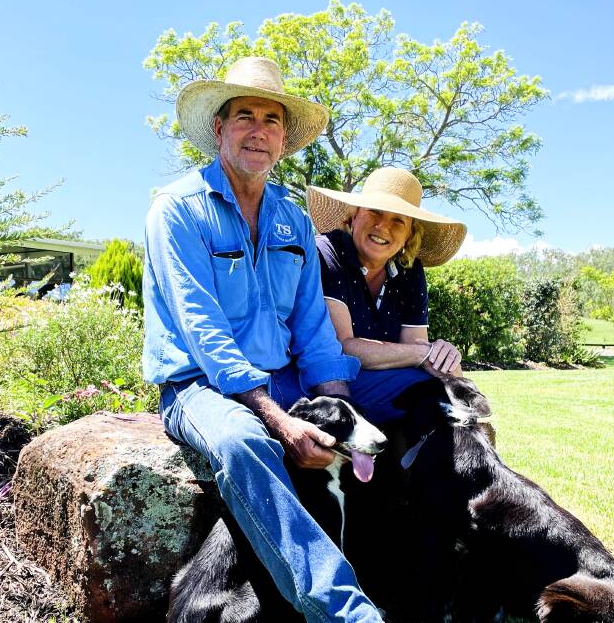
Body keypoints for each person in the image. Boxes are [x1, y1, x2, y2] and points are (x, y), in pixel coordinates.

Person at [142, 57, 381, 622]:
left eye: (272, 120)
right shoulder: (176, 211)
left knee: (373, 433)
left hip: (286, 378)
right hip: (201, 385)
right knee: (244, 444)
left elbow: (313, 327)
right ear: (219, 130)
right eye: (244, 116)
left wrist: (340, 404)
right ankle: (345, 610)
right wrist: (281, 420)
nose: (259, 130)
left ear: (282, 140)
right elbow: (203, 332)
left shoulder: (292, 220)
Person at [308, 167, 468, 423]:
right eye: (375, 211)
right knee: (434, 390)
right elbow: (342, 347)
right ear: (354, 216)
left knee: (448, 380)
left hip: (384, 380)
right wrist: (422, 354)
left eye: (399, 221)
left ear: (409, 235)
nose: (383, 226)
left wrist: (441, 357)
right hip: (329, 383)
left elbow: (415, 345)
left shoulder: (410, 270)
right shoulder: (328, 253)